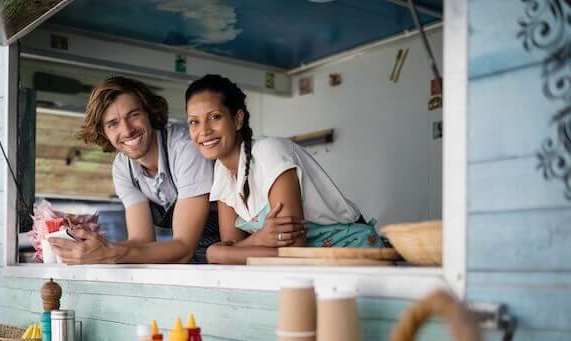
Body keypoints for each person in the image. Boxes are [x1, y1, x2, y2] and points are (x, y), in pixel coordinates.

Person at [185, 74, 385, 265]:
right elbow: (232, 250)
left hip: (354, 257)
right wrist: (253, 241)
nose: (203, 130)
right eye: (194, 121)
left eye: (215, 117)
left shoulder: (268, 152)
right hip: (310, 269)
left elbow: (293, 252)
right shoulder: (222, 172)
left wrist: (217, 252)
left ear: (237, 119)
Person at [50, 76, 220, 264]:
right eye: (113, 123)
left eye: (133, 115)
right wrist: (95, 247)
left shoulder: (185, 149)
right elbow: (141, 242)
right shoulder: (123, 168)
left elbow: (183, 248)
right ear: (103, 132)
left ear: (149, 112)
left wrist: (110, 253)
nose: (127, 130)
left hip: (232, 257)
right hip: (194, 263)